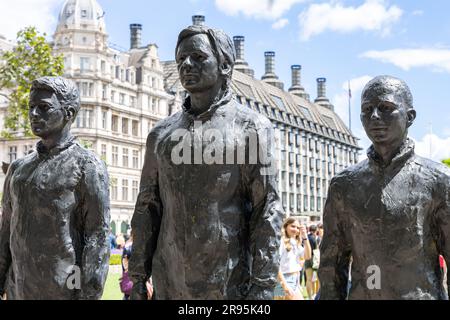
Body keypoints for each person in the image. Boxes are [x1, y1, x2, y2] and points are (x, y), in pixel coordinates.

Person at [129, 23, 283, 300]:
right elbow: (146, 208)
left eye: (198, 57)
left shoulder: (252, 128)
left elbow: (267, 210)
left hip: (229, 285)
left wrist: (262, 287)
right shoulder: (160, 135)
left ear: (224, 65)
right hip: (170, 283)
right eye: (180, 60)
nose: (186, 65)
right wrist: (138, 277)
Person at [319, 75, 450, 300]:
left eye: (386, 108)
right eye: (367, 109)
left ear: (410, 117)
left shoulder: (438, 180)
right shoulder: (343, 185)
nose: (375, 116)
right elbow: (332, 265)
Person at [0, 76, 110, 300]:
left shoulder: (87, 165)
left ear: (68, 113)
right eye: (31, 107)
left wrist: (88, 295)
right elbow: (6, 231)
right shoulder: (18, 169)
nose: (34, 115)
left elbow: (97, 237)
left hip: (62, 291)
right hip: (18, 290)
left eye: (44, 108)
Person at [274, 218, 311, 300]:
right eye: (293, 226)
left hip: (295, 280)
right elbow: (276, 265)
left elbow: (307, 256)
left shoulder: (295, 242)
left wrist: (305, 237)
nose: (295, 229)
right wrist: (285, 285)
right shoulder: (281, 242)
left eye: (298, 228)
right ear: (286, 226)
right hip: (284, 279)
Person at [304, 225, 318, 299]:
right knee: (315, 278)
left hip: (306, 258)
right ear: (316, 230)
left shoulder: (306, 237)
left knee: (308, 279)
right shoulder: (314, 239)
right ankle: (314, 294)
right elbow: (316, 250)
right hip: (314, 259)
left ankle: (310, 296)